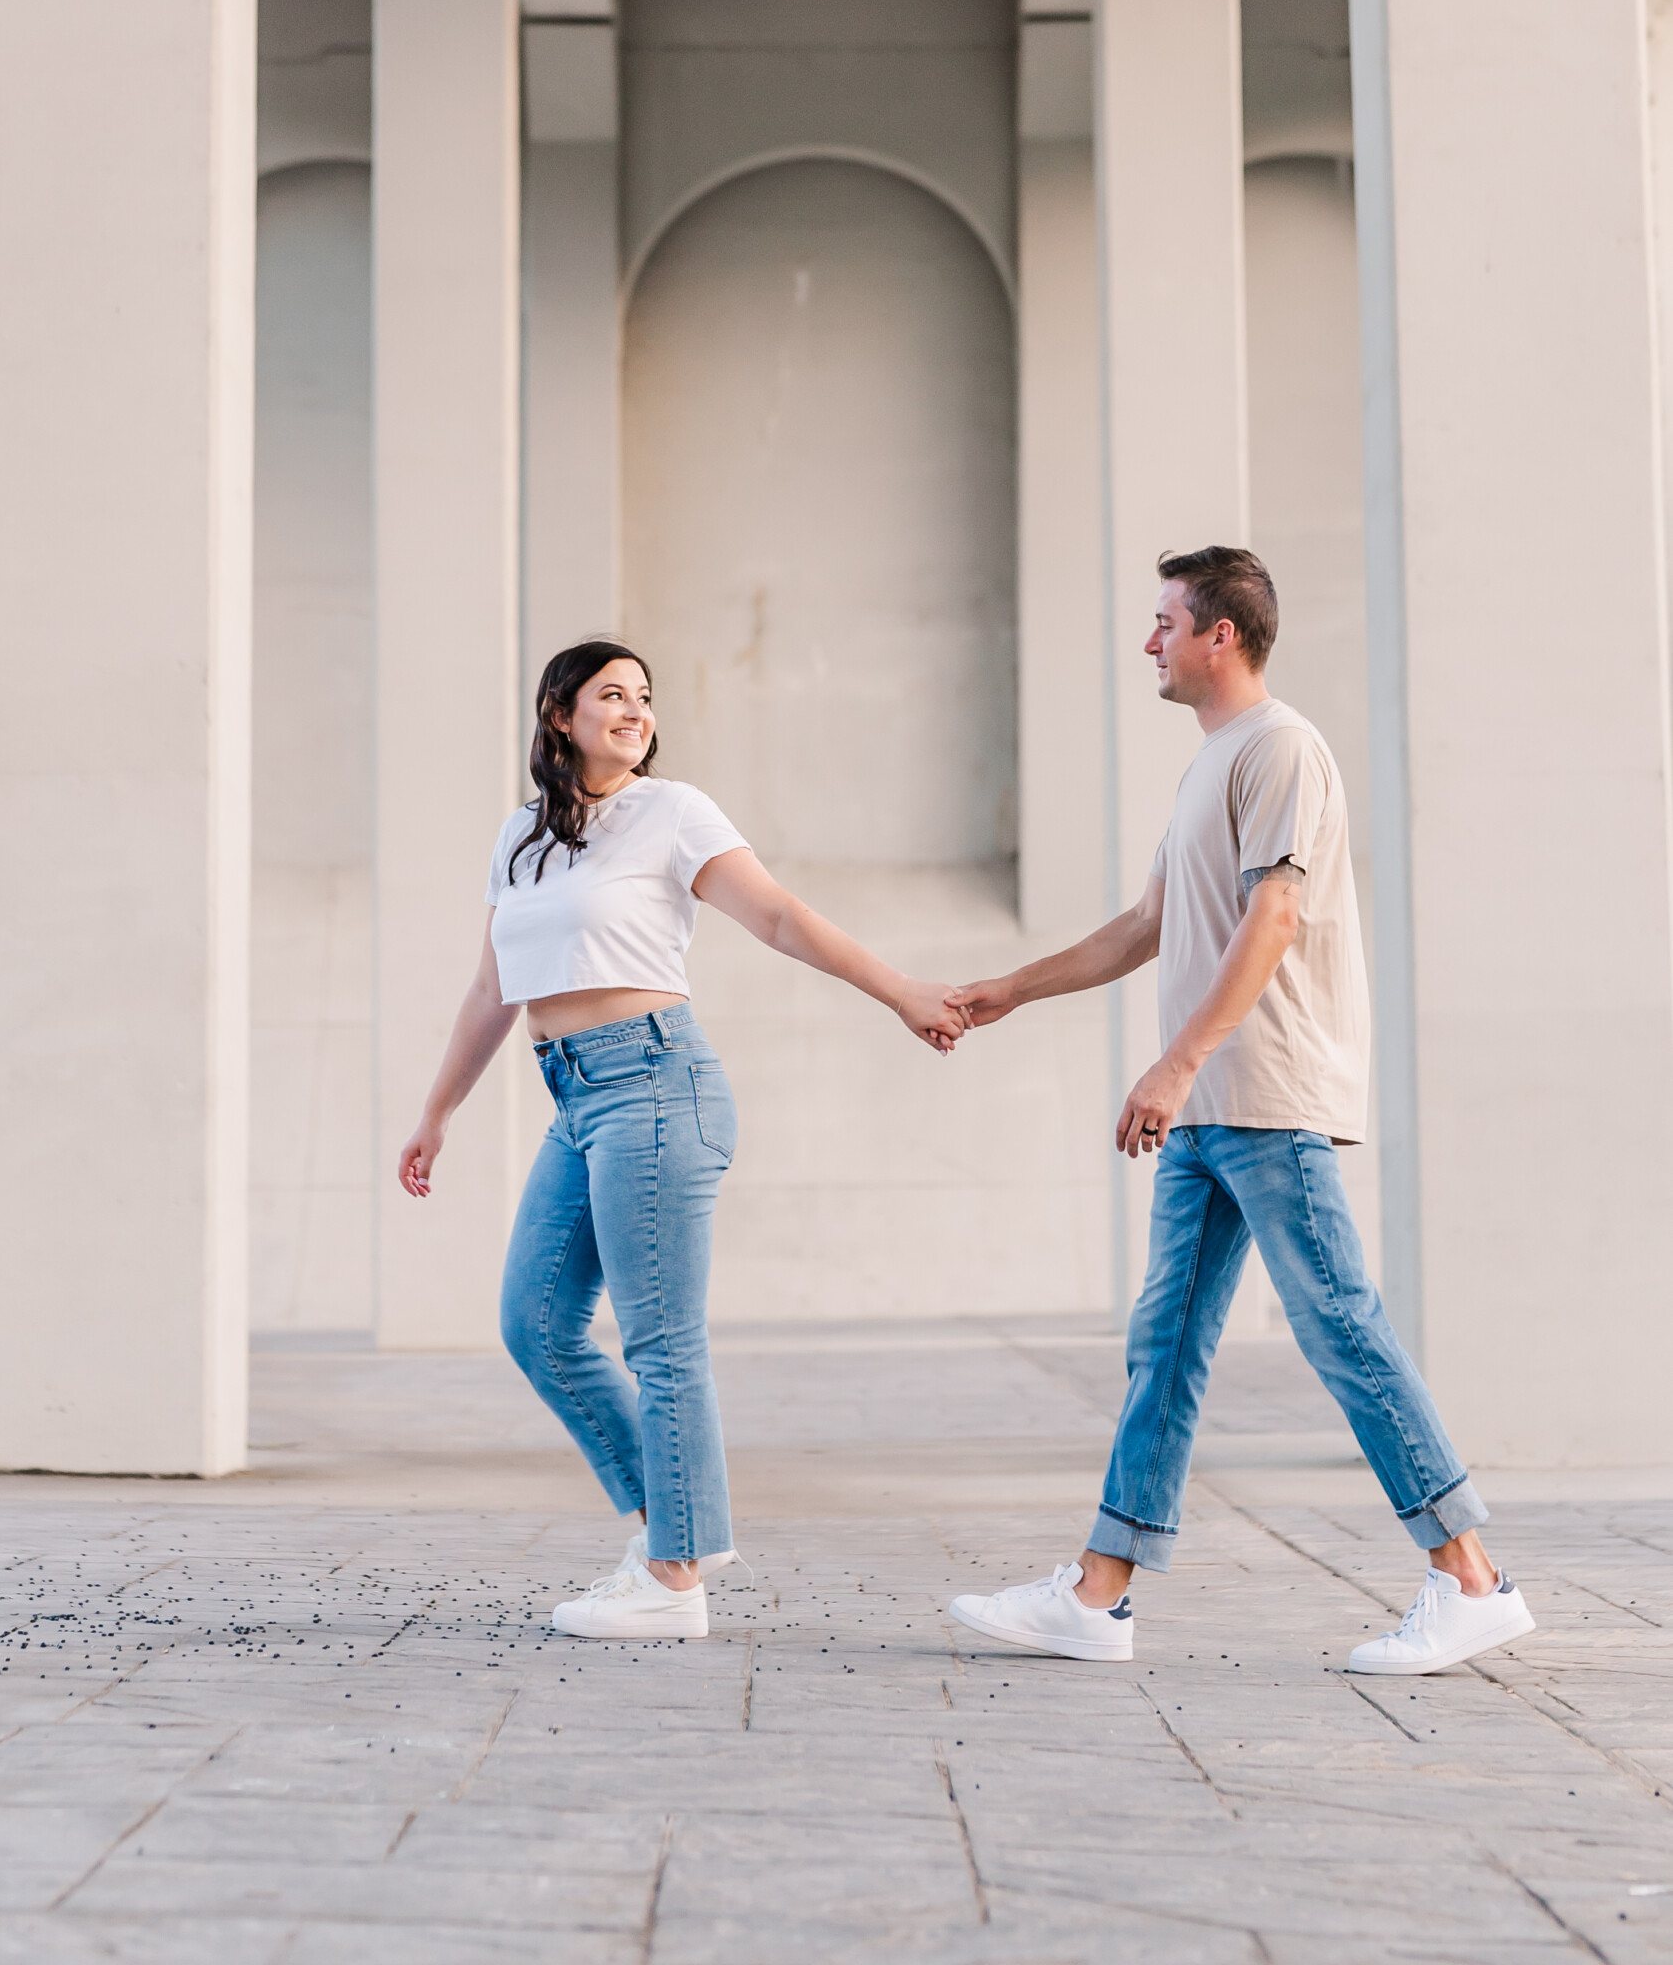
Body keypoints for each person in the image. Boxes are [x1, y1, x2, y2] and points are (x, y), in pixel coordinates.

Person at [943, 547, 1535, 1677]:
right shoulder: (1210, 766)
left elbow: (1275, 918)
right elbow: (1142, 926)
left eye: (1166, 621)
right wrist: (1008, 990)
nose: (1151, 641)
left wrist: (1174, 1064)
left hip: (1261, 1094)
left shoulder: (1282, 749)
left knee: (1338, 1324)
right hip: (1211, 1108)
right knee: (1162, 1346)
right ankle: (1097, 1594)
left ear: (1222, 634)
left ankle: (1470, 1579)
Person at [398, 638, 966, 1643]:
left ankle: (672, 1574)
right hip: (575, 1097)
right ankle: (668, 1534)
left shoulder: (674, 811)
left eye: (646, 697)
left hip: (659, 1083)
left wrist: (901, 991)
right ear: (558, 713)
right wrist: (437, 1112)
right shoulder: (521, 836)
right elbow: (493, 989)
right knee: (535, 1323)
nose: (635, 711)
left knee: (661, 1339)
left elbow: (781, 917)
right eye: (611, 694)